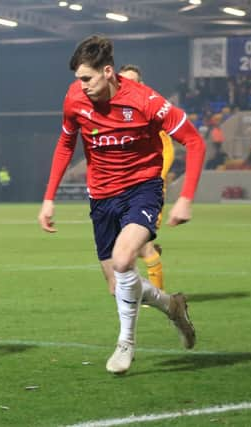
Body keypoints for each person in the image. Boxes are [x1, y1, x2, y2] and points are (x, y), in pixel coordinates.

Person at [37, 35, 206, 374]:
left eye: (87, 78)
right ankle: (172, 305)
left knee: (124, 258)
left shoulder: (146, 101)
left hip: (142, 189)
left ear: (109, 71)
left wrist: (186, 197)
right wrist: (49, 197)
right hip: (100, 197)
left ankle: (125, 344)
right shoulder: (74, 100)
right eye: (78, 80)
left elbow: (194, 141)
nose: (81, 86)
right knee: (118, 287)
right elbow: (65, 145)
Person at [119, 64, 175, 291]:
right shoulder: (116, 110)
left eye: (132, 80)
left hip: (146, 189)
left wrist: (157, 177)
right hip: (123, 188)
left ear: (140, 84)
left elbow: (167, 146)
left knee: (140, 247)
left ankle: (158, 295)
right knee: (126, 244)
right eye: (122, 79)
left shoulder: (150, 107)